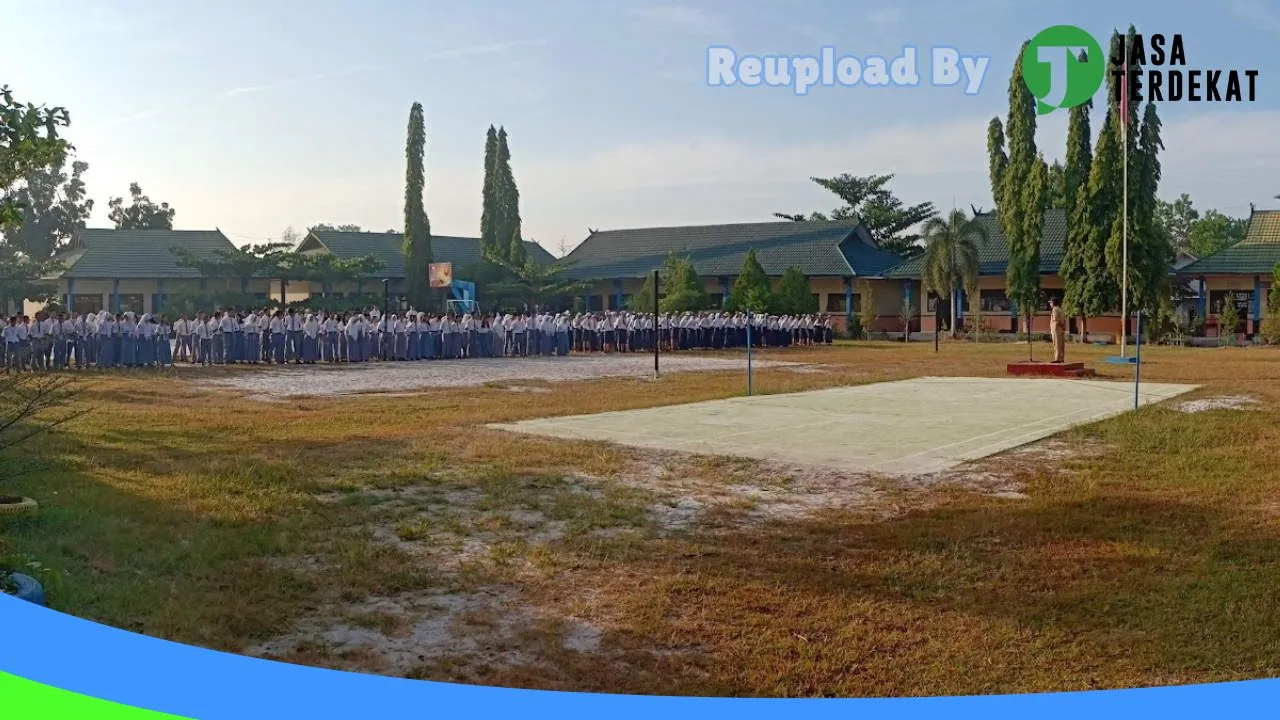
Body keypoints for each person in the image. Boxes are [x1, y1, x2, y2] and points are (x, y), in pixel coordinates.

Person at [1049, 297, 1067, 364]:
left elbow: (1056, 320)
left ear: (1053, 303)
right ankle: (1061, 358)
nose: (1050, 304)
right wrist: (1063, 327)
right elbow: (1064, 320)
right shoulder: (1060, 309)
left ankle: (1057, 358)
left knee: (1056, 344)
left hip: (1056, 329)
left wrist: (1061, 326)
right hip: (1060, 329)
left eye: (1050, 302)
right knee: (1061, 344)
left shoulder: (1055, 309)